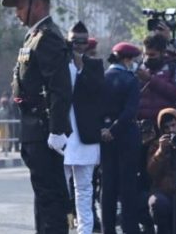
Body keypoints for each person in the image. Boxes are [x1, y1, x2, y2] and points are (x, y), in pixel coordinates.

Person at [1, 0, 73, 234]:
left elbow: (60, 88)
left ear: (38, 4)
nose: (17, 13)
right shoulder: (33, 36)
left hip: (44, 130)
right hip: (33, 128)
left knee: (51, 199)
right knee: (43, 197)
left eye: (20, 6)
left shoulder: (48, 37)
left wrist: (56, 129)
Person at [102, 42, 143, 234]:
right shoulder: (131, 79)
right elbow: (130, 111)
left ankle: (107, 229)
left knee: (107, 185)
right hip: (126, 137)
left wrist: (105, 130)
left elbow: (94, 108)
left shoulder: (102, 78)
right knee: (127, 187)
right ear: (127, 59)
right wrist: (116, 130)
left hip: (104, 138)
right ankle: (129, 229)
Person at [65, 34, 105, 234]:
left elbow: (96, 90)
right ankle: (61, 225)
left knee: (84, 188)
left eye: (82, 43)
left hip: (85, 135)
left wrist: (81, 68)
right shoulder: (59, 64)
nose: (78, 46)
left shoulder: (95, 65)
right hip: (62, 133)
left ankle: (85, 230)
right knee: (60, 187)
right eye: (74, 43)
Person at [138, 33, 176, 122]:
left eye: (152, 55)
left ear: (163, 53)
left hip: (166, 124)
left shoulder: (175, 66)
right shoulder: (139, 68)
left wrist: (150, 80)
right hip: (143, 124)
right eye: (145, 55)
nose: (147, 58)